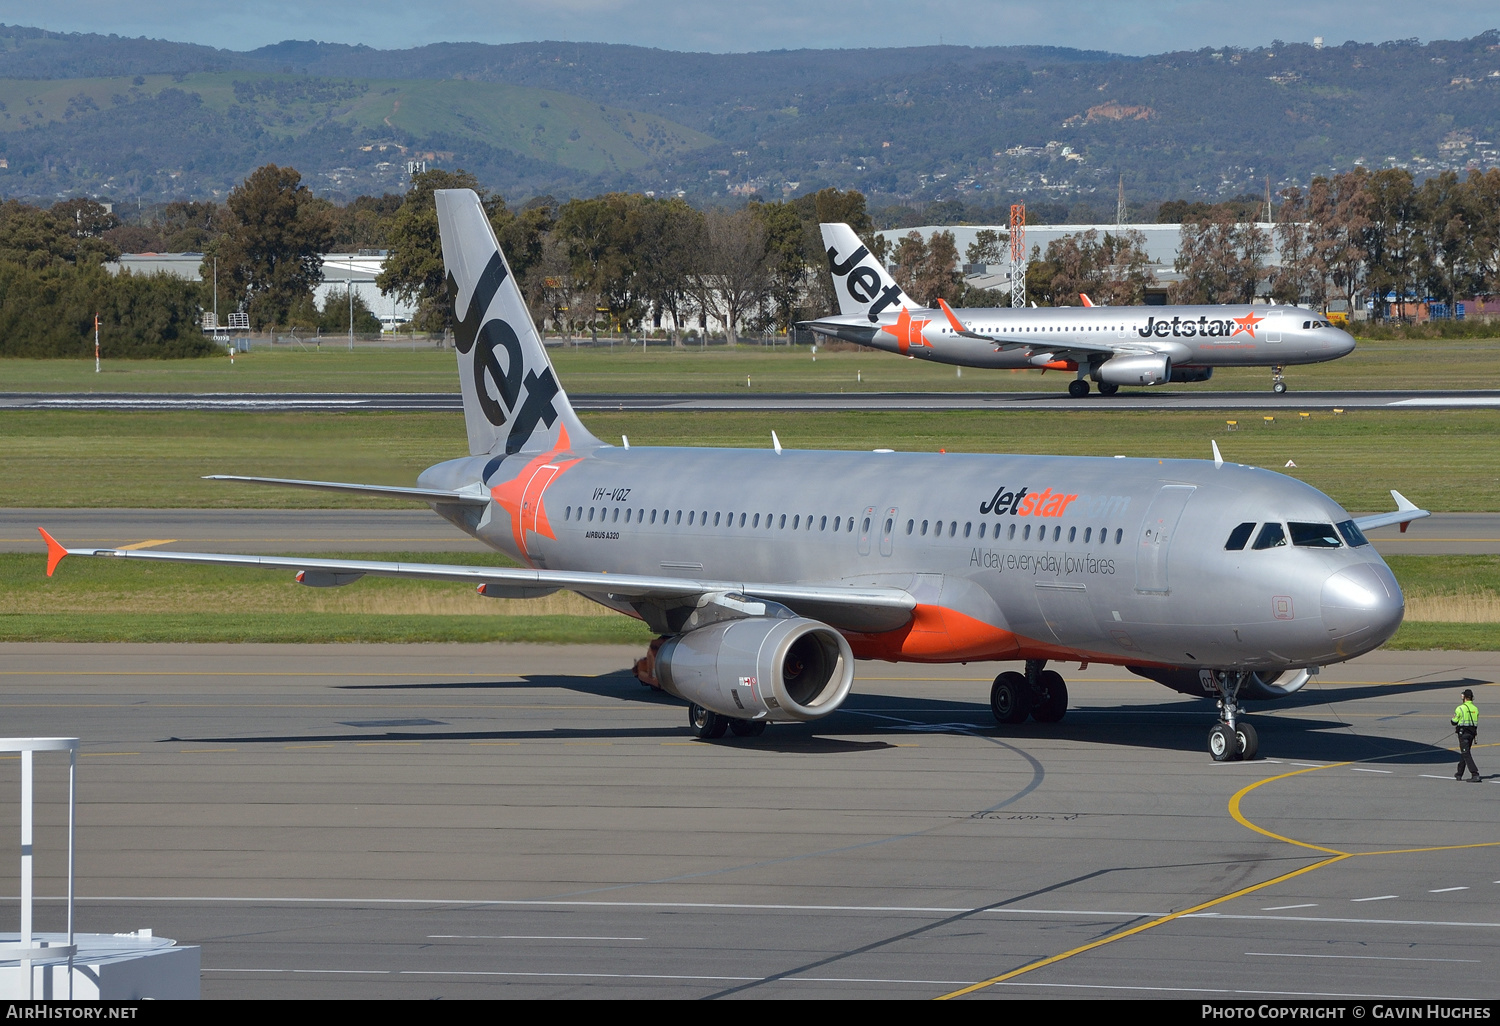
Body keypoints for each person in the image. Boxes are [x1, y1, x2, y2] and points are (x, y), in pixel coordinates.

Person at [1452, 688, 1480, 782]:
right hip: (1471, 734)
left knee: (1466, 753)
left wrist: (1454, 719)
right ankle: (1459, 773)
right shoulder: (1475, 709)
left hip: (1463, 734)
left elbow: (1454, 722)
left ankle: (1475, 773)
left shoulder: (1460, 708)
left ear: (1464, 697)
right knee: (1465, 753)